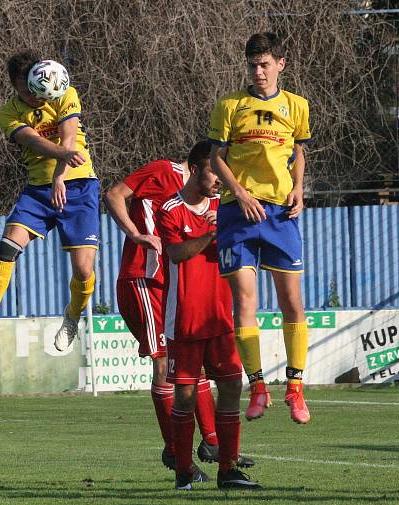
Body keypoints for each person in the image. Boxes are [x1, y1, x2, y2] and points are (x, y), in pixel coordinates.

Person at [104, 143, 255, 476]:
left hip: (173, 285)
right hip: (143, 276)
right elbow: (114, 194)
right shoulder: (163, 172)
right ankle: (175, 453)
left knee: (194, 371)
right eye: (218, 167)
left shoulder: (212, 200)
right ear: (201, 166)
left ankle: (213, 442)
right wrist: (136, 234)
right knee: (163, 366)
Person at [0, 49, 97, 354]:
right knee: (7, 246)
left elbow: (69, 140)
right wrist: (58, 166)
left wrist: (60, 176)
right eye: (27, 91)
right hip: (38, 190)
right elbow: (33, 141)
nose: (36, 97)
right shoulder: (7, 114)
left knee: (84, 271)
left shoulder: (63, 91)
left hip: (79, 186)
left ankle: (71, 318)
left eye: (38, 90)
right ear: (15, 87)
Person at [207, 32, 312, 424]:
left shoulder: (297, 106)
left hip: (281, 216)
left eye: (265, 64)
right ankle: (258, 389)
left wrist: (299, 189)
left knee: (292, 303)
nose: (259, 71)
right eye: (253, 65)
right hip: (238, 214)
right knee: (245, 304)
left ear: (280, 65)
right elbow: (216, 158)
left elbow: (299, 150)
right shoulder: (229, 106)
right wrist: (239, 192)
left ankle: (296, 390)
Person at [156, 140, 260, 490]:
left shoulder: (226, 206)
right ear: (196, 168)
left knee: (231, 386)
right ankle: (183, 471)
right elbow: (176, 253)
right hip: (184, 320)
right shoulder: (170, 208)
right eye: (215, 170)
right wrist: (212, 233)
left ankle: (227, 469)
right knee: (185, 397)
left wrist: (227, 226)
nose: (220, 178)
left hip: (220, 319)